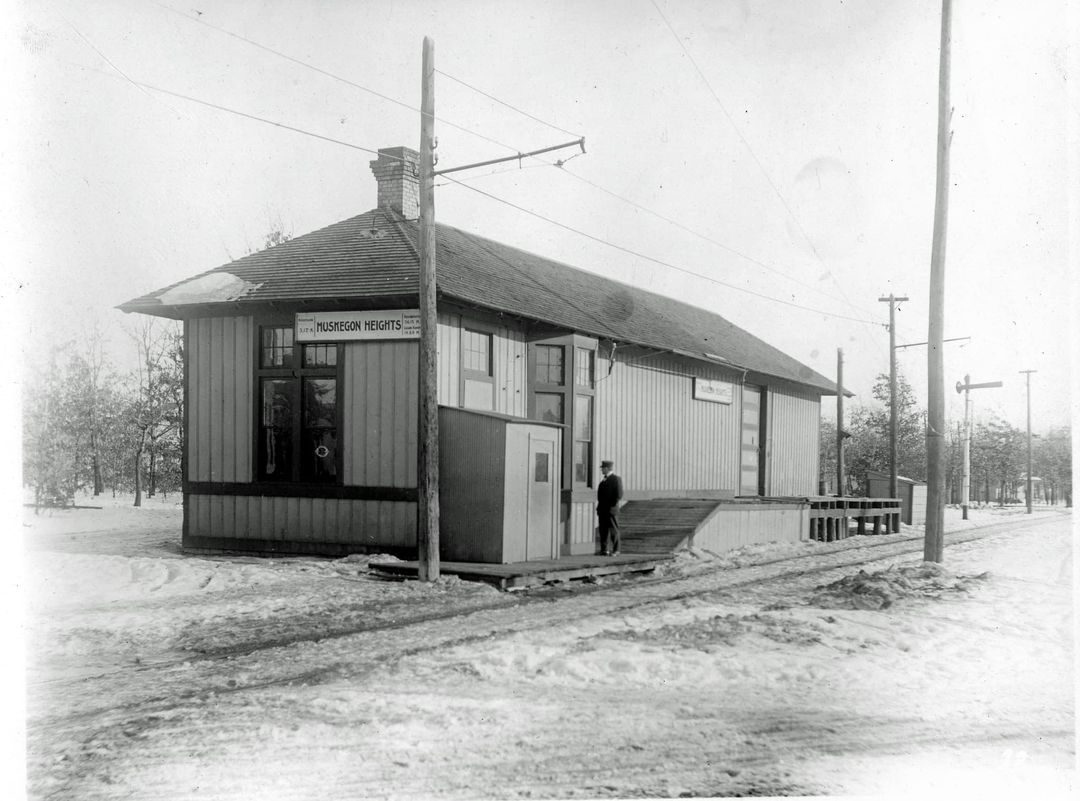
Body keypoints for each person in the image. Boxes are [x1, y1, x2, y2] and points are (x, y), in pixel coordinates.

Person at [597, 459, 624, 556]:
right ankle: (604, 550)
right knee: (603, 530)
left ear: (607, 468)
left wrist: (611, 505)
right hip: (602, 510)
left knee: (614, 530)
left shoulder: (616, 479)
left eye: (603, 468)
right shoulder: (604, 480)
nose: (601, 470)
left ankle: (616, 550)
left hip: (611, 510)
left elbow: (619, 495)